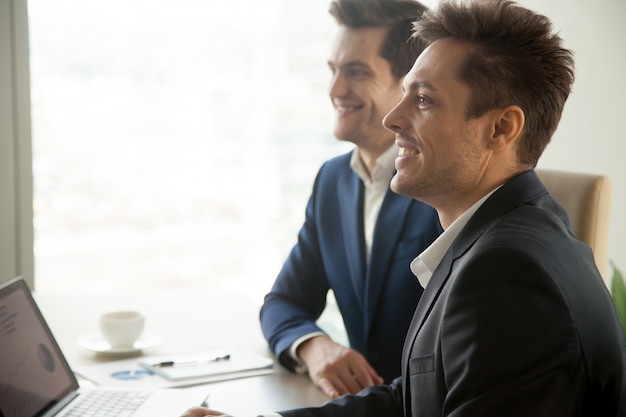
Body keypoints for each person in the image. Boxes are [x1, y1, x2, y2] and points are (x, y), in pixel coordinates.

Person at [182, 0, 626, 415]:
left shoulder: (505, 273)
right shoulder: (497, 239)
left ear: (501, 128)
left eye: (424, 100)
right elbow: (412, 398)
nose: (392, 119)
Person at [259, 0, 441, 399]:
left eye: (356, 73)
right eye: (333, 71)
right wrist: (314, 346)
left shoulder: (444, 184)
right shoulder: (333, 180)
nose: (336, 90)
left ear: (411, 84)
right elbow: (284, 302)